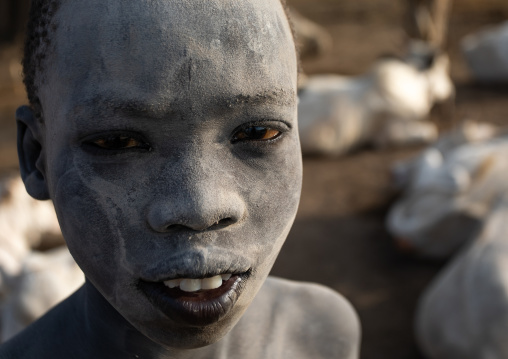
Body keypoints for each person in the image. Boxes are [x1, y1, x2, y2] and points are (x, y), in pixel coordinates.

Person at [0, 0, 360, 357]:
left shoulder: (321, 333)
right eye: (117, 142)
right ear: (36, 157)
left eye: (257, 132)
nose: (200, 207)